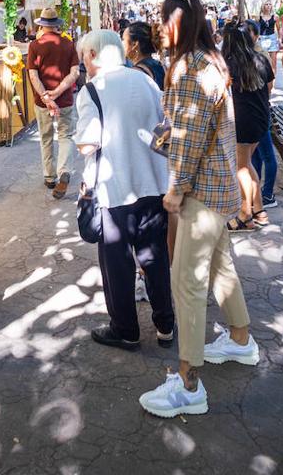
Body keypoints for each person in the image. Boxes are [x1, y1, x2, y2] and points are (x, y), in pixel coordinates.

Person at [138, 0, 258, 419]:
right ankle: (240, 339)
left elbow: (188, 142)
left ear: (177, 23)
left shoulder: (190, 68)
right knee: (220, 267)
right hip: (218, 187)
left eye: (161, 19)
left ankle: (189, 383)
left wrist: (175, 189)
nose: (157, 27)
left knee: (186, 284)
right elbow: (193, 129)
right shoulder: (209, 60)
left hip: (201, 192)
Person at [74, 30, 175, 350]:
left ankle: (126, 329)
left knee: (117, 265)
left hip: (114, 190)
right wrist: (145, 153)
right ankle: (165, 324)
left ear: (93, 55)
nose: (83, 64)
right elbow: (166, 128)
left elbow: (88, 144)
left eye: (83, 58)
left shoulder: (92, 90)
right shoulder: (145, 80)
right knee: (155, 256)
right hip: (153, 184)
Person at [221, 24, 275, 232]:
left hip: (243, 120)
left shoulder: (230, 63)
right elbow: (269, 85)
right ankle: (259, 211)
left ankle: (246, 214)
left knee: (242, 166)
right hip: (261, 117)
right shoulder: (261, 58)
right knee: (248, 165)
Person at [27, 6, 80, 197]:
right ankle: (64, 171)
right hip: (65, 100)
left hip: (42, 102)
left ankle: (50, 177)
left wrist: (46, 97)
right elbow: (74, 74)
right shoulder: (68, 44)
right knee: (65, 136)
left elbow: (33, 76)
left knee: (46, 137)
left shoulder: (34, 46)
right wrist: (56, 93)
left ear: (41, 24)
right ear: (57, 24)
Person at [123, 21, 166, 90]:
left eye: (124, 39)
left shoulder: (136, 73)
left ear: (134, 45)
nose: (122, 43)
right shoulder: (160, 65)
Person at [253, 0, 280, 77]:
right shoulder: (258, 17)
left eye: (270, 4)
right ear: (263, 6)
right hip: (262, 38)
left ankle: (273, 84)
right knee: (261, 61)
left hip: (272, 38)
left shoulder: (275, 17)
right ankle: (263, 79)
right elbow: (256, 30)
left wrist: (279, 39)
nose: (268, 6)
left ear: (272, 6)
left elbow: (278, 28)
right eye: (266, 4)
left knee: (273, 62)